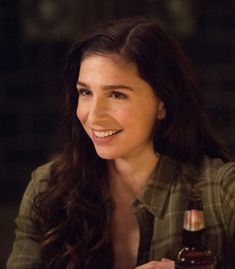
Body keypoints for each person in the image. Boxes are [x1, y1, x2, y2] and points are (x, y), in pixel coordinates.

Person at [7, 17, 235, 269]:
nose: (93, 115)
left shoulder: (221, 190)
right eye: (85, 92)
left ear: (163, 104)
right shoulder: (47, 187)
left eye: (117, 95)